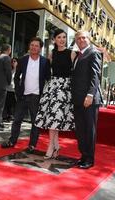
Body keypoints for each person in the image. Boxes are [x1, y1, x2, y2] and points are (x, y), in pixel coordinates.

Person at [1, 37, 51, 153]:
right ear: (29, 46)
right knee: (17, 120)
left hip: (37, 96)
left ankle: (32, 145)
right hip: (23, 96)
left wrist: (45, 95)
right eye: (32, 45)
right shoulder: (23, 60)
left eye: (36, 45)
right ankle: (12, 141)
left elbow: (48, 78)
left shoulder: (45, 62)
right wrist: (18, 91)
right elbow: (17, 76)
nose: (34, 47)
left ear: (40, 48)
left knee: (35, 122)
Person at [35, 29, 76, 159]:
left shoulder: (72, 53)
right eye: (59, 37)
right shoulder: (51, 53)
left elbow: (76, 73)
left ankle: (51, 147)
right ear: (54, 39)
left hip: (64, 89)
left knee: (55, 118)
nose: (62, 39)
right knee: (52, 118)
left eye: (64, 37)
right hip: (52, 87)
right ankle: (55, 146)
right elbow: (47, 72)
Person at [71, 30, 103, 169]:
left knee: (89, 130)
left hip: (89, 99)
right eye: (78, 38)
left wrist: (90, 95)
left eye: (84, 37)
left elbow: (95, 76)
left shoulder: (93, 52)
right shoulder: (78, 55)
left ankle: (89, 159)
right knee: (80, 130)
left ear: (89, 39)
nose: (81, 40)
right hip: (78, 99)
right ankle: (83, 156)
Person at [0, 43, 12, 131]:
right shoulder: (6, 57)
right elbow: (8, 71)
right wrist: (9, 82)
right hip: (1, 85)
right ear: (8, 50)